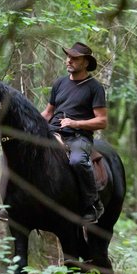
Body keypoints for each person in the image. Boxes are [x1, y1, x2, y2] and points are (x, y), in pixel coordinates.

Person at [41, 42, 107, 224]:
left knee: (77, 161)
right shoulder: (59, 83)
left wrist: (76, 123)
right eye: (68, 56)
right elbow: (48, 113)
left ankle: (92, 204)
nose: (68, 60)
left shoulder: (95, 88)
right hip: (52, 132)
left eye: (74, 58)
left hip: (79, 137)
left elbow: (102, 121)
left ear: (85, 62)